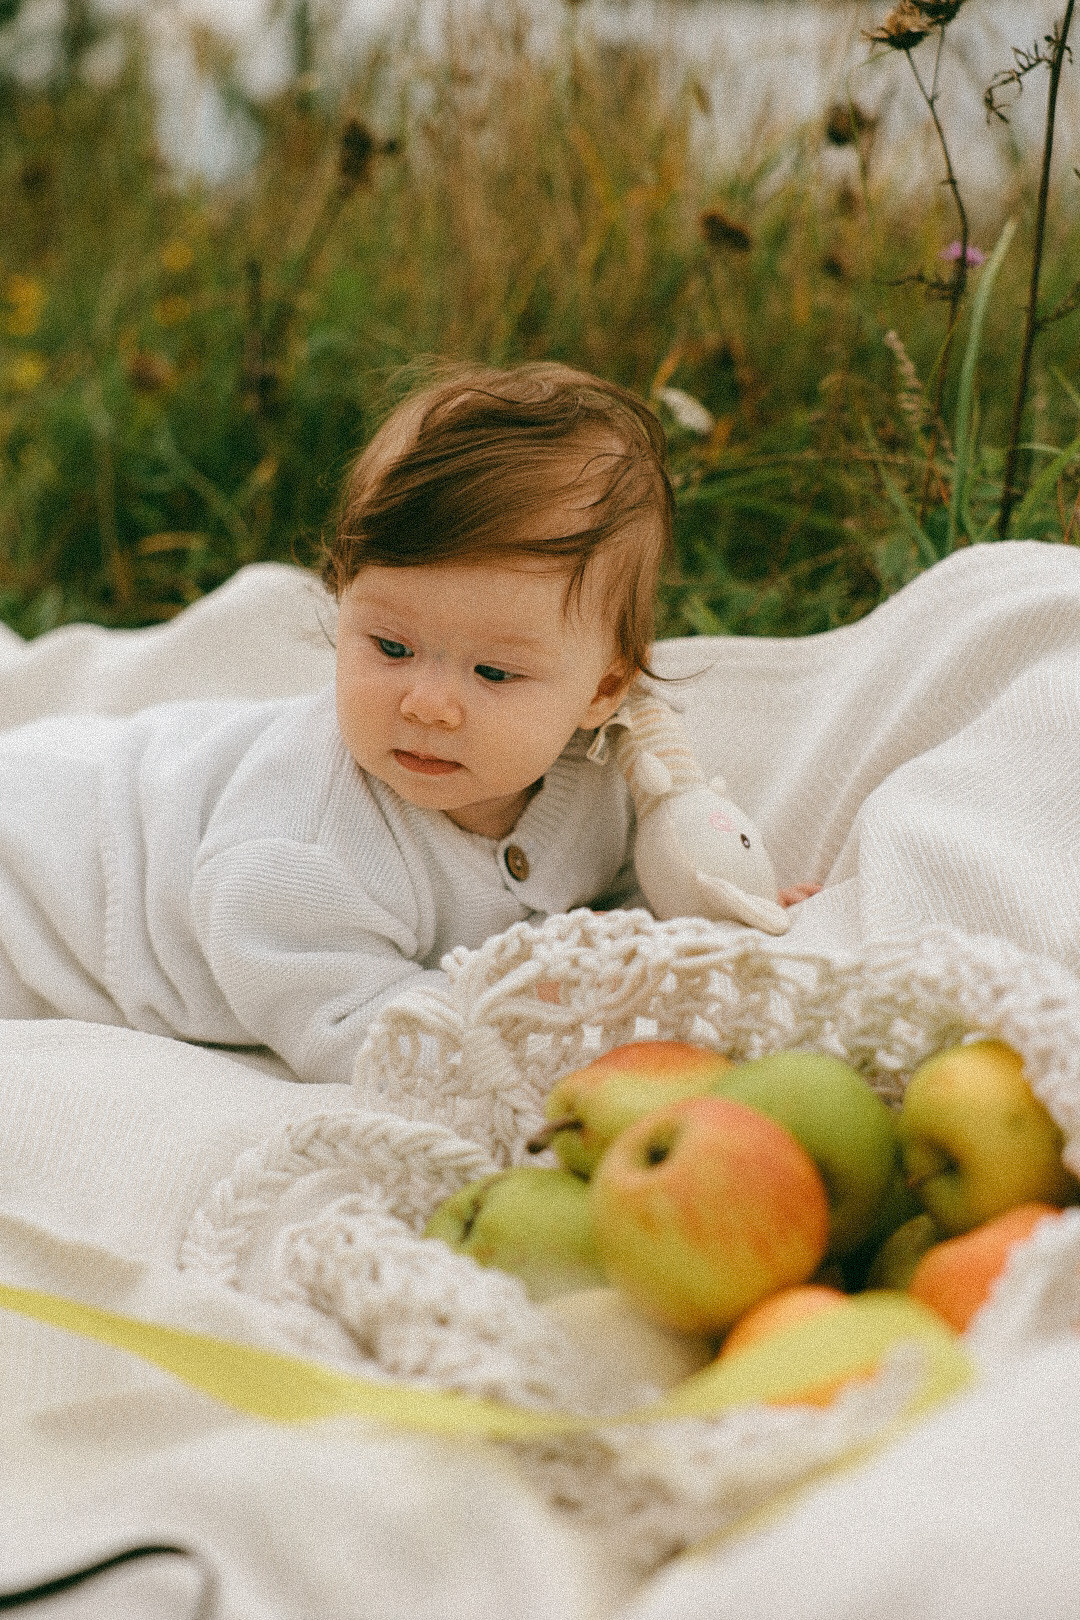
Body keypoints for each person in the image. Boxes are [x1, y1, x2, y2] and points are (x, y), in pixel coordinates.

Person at [0, 362, 816, 1085]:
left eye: (494, 672)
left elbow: (612, 895)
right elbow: (369, 1032)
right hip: (34, 884)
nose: (427, 702)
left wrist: (702, 919)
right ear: (341, 601)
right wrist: (568, 1024)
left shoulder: (599, 782)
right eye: (390, 646)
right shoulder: (297, 851)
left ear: (602, 690)